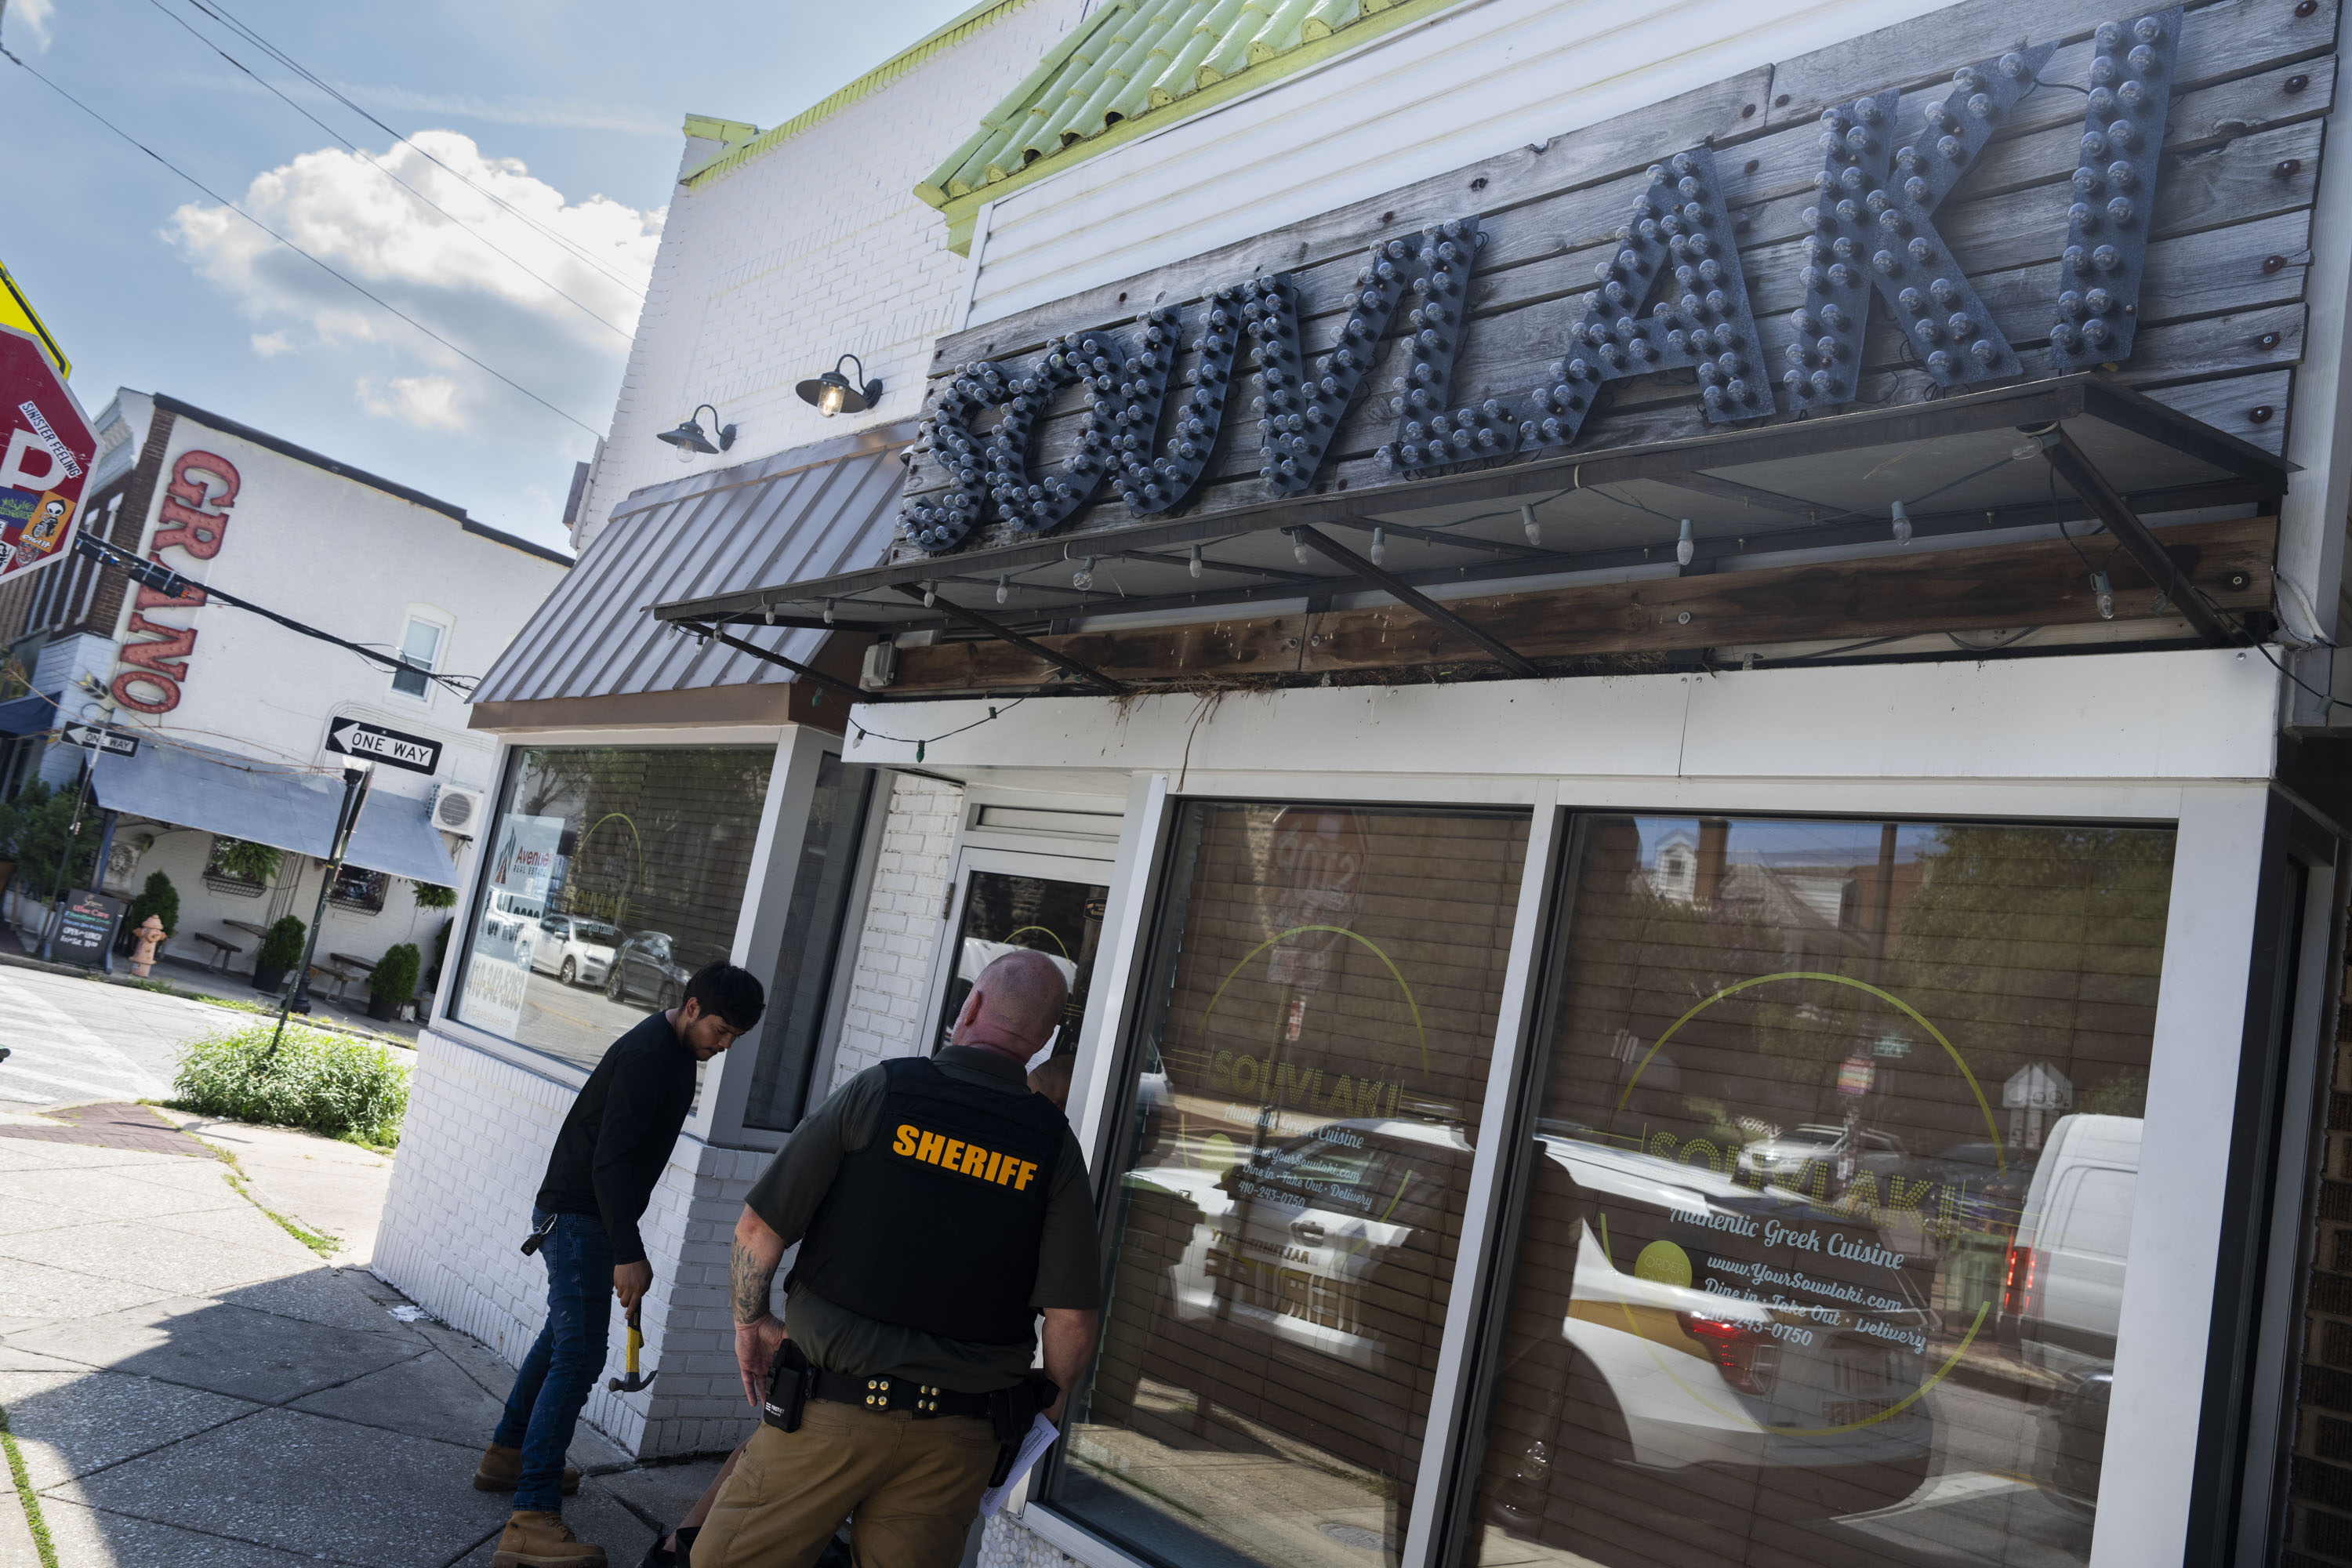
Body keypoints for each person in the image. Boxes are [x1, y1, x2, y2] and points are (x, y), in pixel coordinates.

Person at [691, 949, 1102, 1568]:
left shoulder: (882, 1091)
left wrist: (750, 1323)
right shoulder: (1054, 1147)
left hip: (831, 1413)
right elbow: (1072, 1320)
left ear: (971, 1007)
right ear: (1044, 1040)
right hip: (958, 1442)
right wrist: (1052, 1397)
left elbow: (757, 1232)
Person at [481, 960, 766, 1568]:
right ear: (691, 1007)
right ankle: (531, 1517)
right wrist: (628, 1252)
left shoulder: (674, 1053)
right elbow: (609, 1162)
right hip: (579, 1218)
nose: (725, 1044)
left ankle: (509, 1455)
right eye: (720, 1028)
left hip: (584, 1217)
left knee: (562, 1341)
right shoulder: (650, 1056)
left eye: (736, 1037)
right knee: (581, 1354)